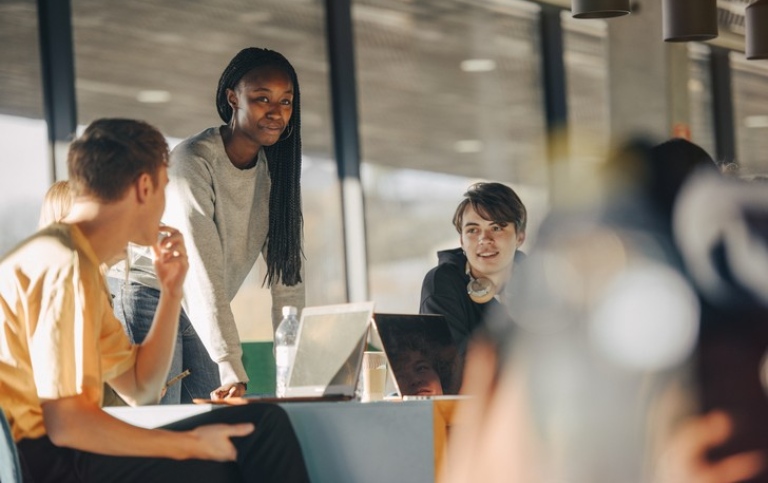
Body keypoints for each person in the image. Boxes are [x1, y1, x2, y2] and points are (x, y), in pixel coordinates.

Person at [0, 118, 310, 483]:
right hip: (51, 465)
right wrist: (189, 444)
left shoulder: (71, 258)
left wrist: (173, 289)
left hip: (64, 454)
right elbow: (67, 425)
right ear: (145, 188)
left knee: (253, 428)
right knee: (253, 436)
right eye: (166, 188)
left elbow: (140, 389)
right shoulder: (62, 265)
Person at [111, 47, 305, 403]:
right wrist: (230, 363)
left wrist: (293, 368)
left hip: (202, 305)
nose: (277, 112)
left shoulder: (277, 174)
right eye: (262, 98)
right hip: (152, 294)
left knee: (207, 417)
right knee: (162, 423)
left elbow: (287, 282)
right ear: (233, 98)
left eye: (286, 101)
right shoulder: (193, 162)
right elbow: (202, 267)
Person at [419, 182, 527, 362]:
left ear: (520, 237)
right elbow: (455, 369)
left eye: (497, 227)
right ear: (462, 240)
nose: (484, 239)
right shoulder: (442, 283)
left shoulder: (542, 280)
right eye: (473, 230)